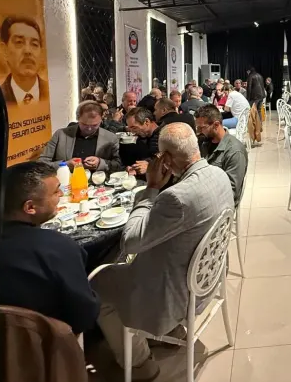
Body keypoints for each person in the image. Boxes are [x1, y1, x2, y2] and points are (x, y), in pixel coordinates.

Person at [89, 123, 233, 380]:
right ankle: (171, 332)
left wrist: (152, 188)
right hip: (205, 281)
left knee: (95, 283)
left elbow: (130, 242)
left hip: (175, 295)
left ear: (165, 158)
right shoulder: (219, 174)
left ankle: (139, 362)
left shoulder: (176, 197)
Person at [0, 161, 100, 335]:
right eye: (56, 191)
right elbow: (85, 317)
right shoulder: (59, 247)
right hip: (46, 343)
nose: (61, 194)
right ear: (30, 207)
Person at [39, 101, 122, 172]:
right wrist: (65, 165)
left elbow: (118, 164)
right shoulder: (61, 135)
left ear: (101, 119)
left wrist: (100, 163)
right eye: (84, 124)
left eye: (94, 125)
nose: (89, 129)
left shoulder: (110, 138)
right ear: (77, 118)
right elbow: (41, 164)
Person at [195, 105, 248, 204]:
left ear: (216, 125)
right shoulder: (204, 142)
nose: (198, 132)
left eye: (202, 128)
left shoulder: (234, 151)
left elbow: (232, 191)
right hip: (203, 193)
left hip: (219, 203)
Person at [0, 15, 50, 106]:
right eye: (19, 42)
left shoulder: (53, 91)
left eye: (34, 44)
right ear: (4, 50)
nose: (27, 51)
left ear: (41, 52)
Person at [124, 107, 157, 173]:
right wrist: (134, 168)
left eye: (134, 128)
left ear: (147, 122)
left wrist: (150, 167)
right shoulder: (141, 138)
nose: (132, 132)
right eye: (130, 128)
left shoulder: (165, 138)